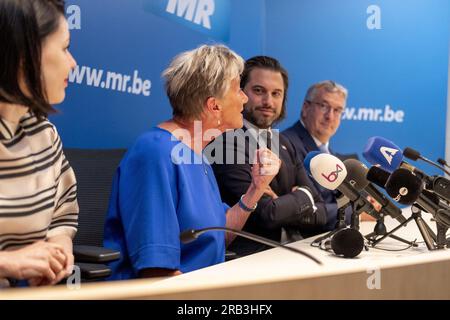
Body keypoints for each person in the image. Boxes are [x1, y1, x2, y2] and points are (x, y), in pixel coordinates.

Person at [103, 45, 281, 280]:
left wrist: (255, 190)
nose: (244, 98)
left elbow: (217, 236)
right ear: (213, 105)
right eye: (238, 89)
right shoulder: (155, 153)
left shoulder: (197, 155)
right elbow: (157, 271)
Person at [211, 56, 328, 256]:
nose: (268, 102)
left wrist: (286, 202)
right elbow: (267, 215)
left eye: (276, 94)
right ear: (241, 92)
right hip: (246, 263)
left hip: (288, 257)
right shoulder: (225, 142)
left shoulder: (284, 142)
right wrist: (304, 197)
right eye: (259, 91)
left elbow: (323, 212)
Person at [0, 0, 79, 286]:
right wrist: (9, 262)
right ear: (23, 54)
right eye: (64, 47)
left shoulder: (44, 134)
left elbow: (63, 216)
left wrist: (58, 251)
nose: (73, 63)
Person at [283, 80, 354, 230]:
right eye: (323, 106)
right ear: (305, 107)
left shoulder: (331, 154)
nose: (330, 116)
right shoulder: (287, 144)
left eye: (337, 110)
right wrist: (356, 213)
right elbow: (309, 211)